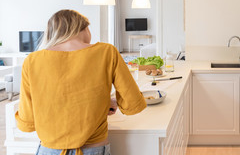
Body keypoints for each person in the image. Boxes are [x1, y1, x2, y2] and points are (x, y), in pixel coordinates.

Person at [15, 9, 147, 155]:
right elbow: (133, 104)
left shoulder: (32, 61)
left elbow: (27, 122)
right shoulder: (107, 52)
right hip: (94, 149)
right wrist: (104, 103)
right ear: (82, 28)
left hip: (49, 150)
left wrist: (100, 101)